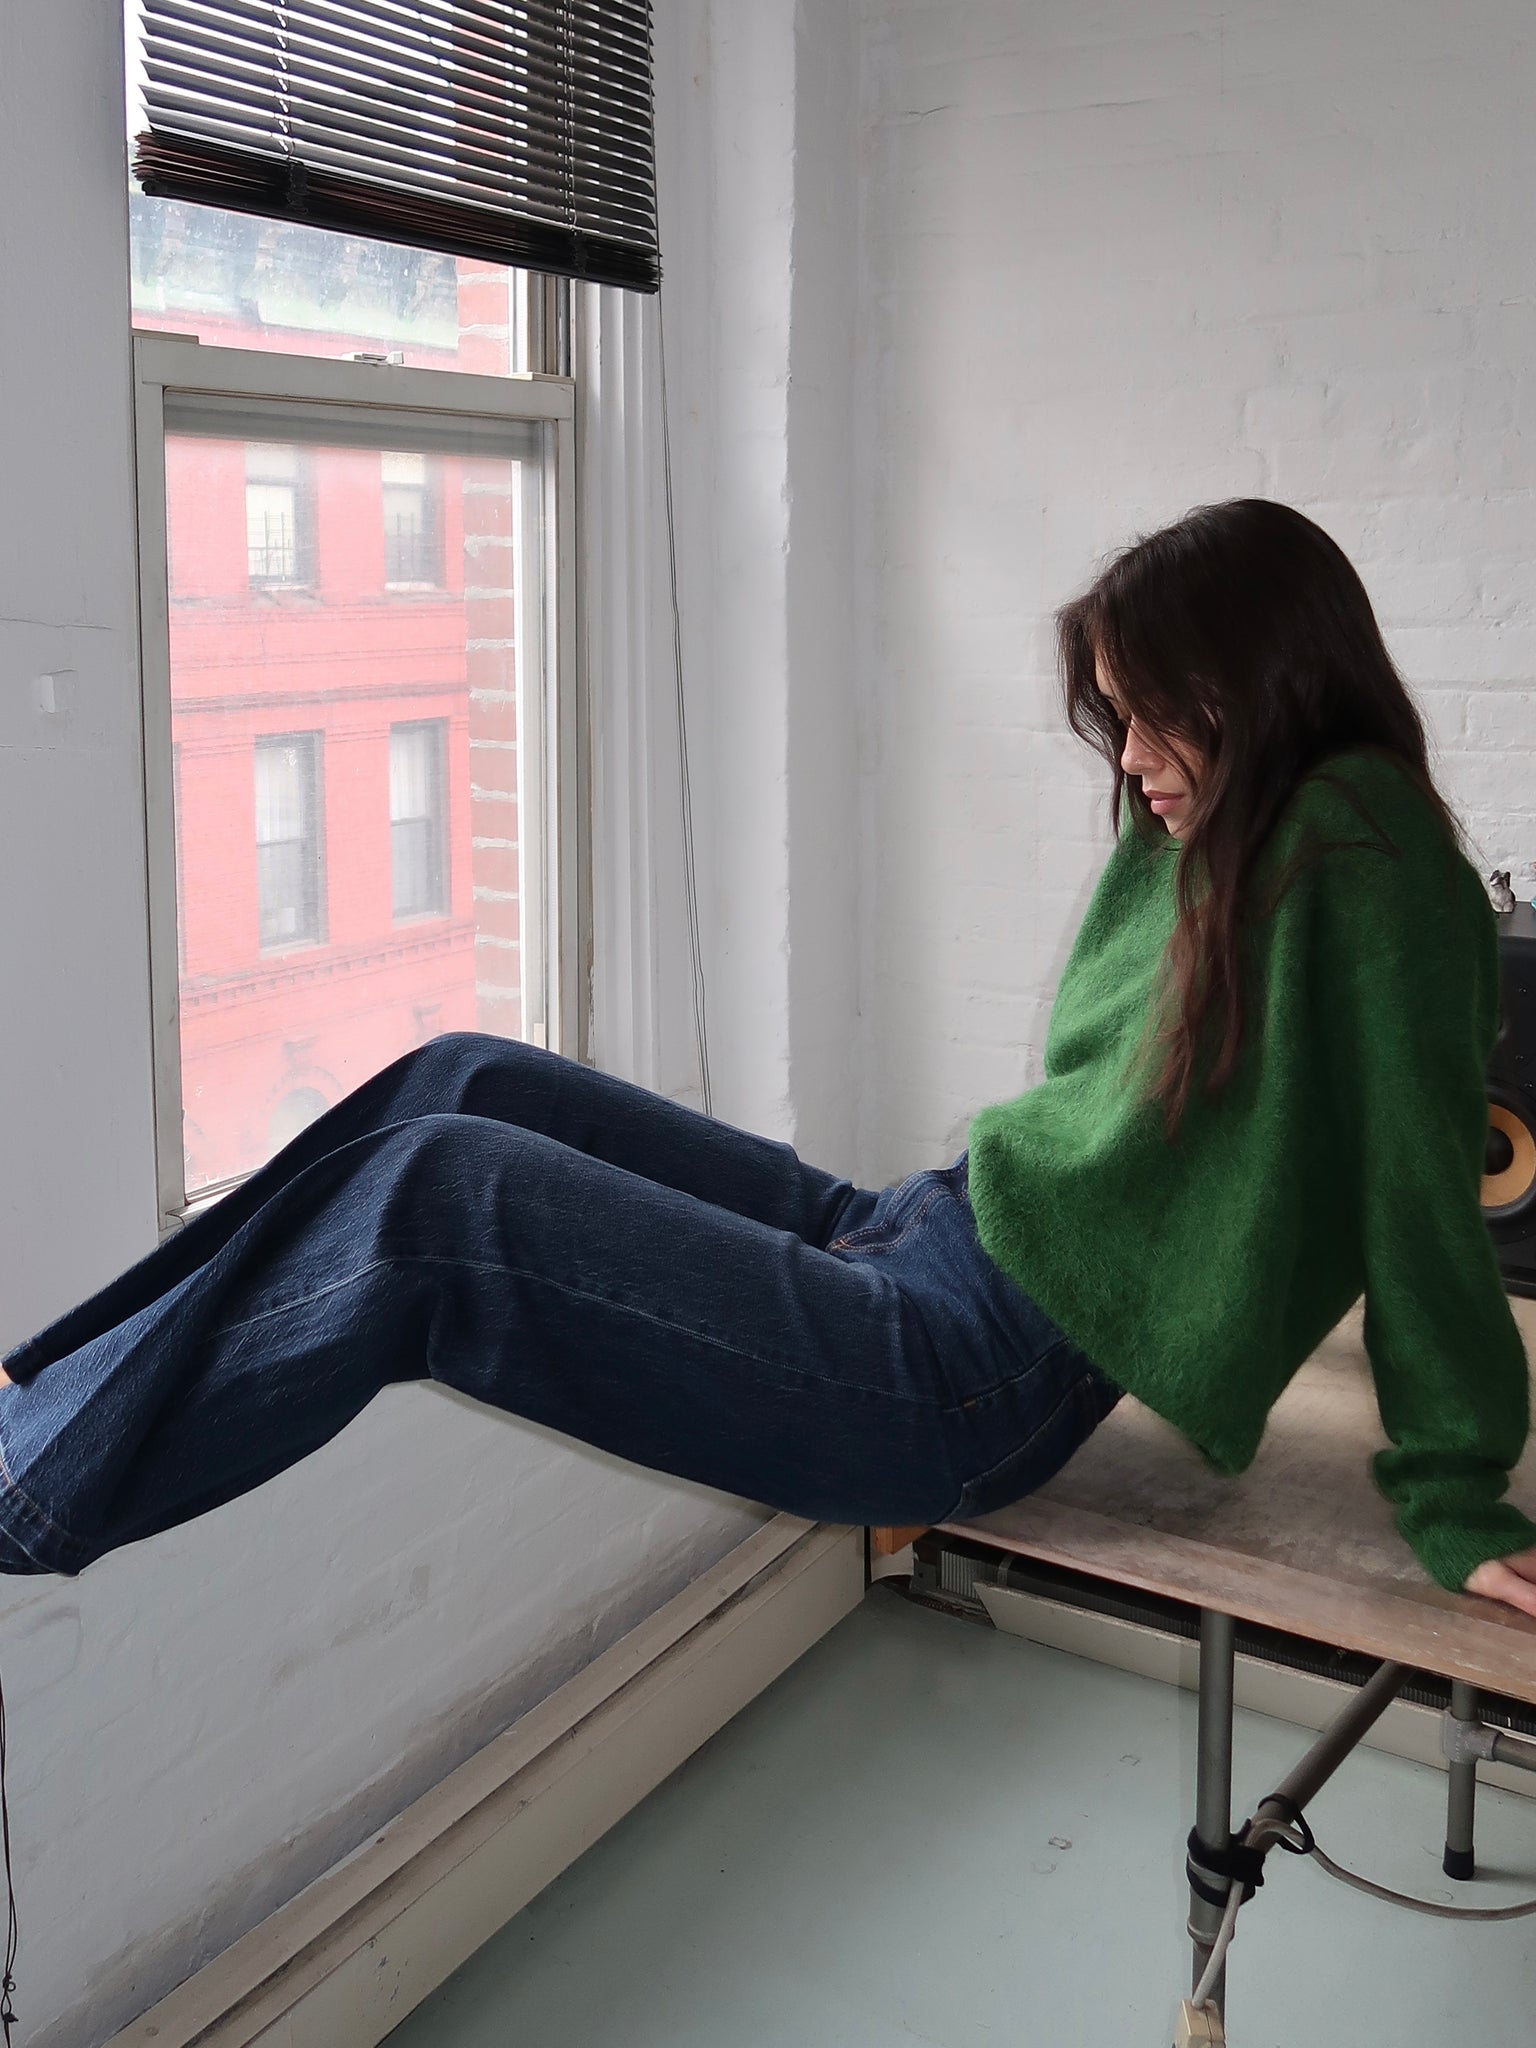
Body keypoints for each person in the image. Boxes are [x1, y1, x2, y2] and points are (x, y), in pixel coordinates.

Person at [4, 497, 1536, 1622]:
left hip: (970, 1377)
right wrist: (1184, 767)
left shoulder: (1371, 861)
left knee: (440, 1196)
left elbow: (1418, 1189)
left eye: (1155, 719)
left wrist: (1457, 1494)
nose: (1128, 762)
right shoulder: (1235, 823)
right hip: (930, 1230)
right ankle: (39, 1383)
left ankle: (25, 1489)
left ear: (1265, 690)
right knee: (462, 1076)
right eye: (1117, 720)